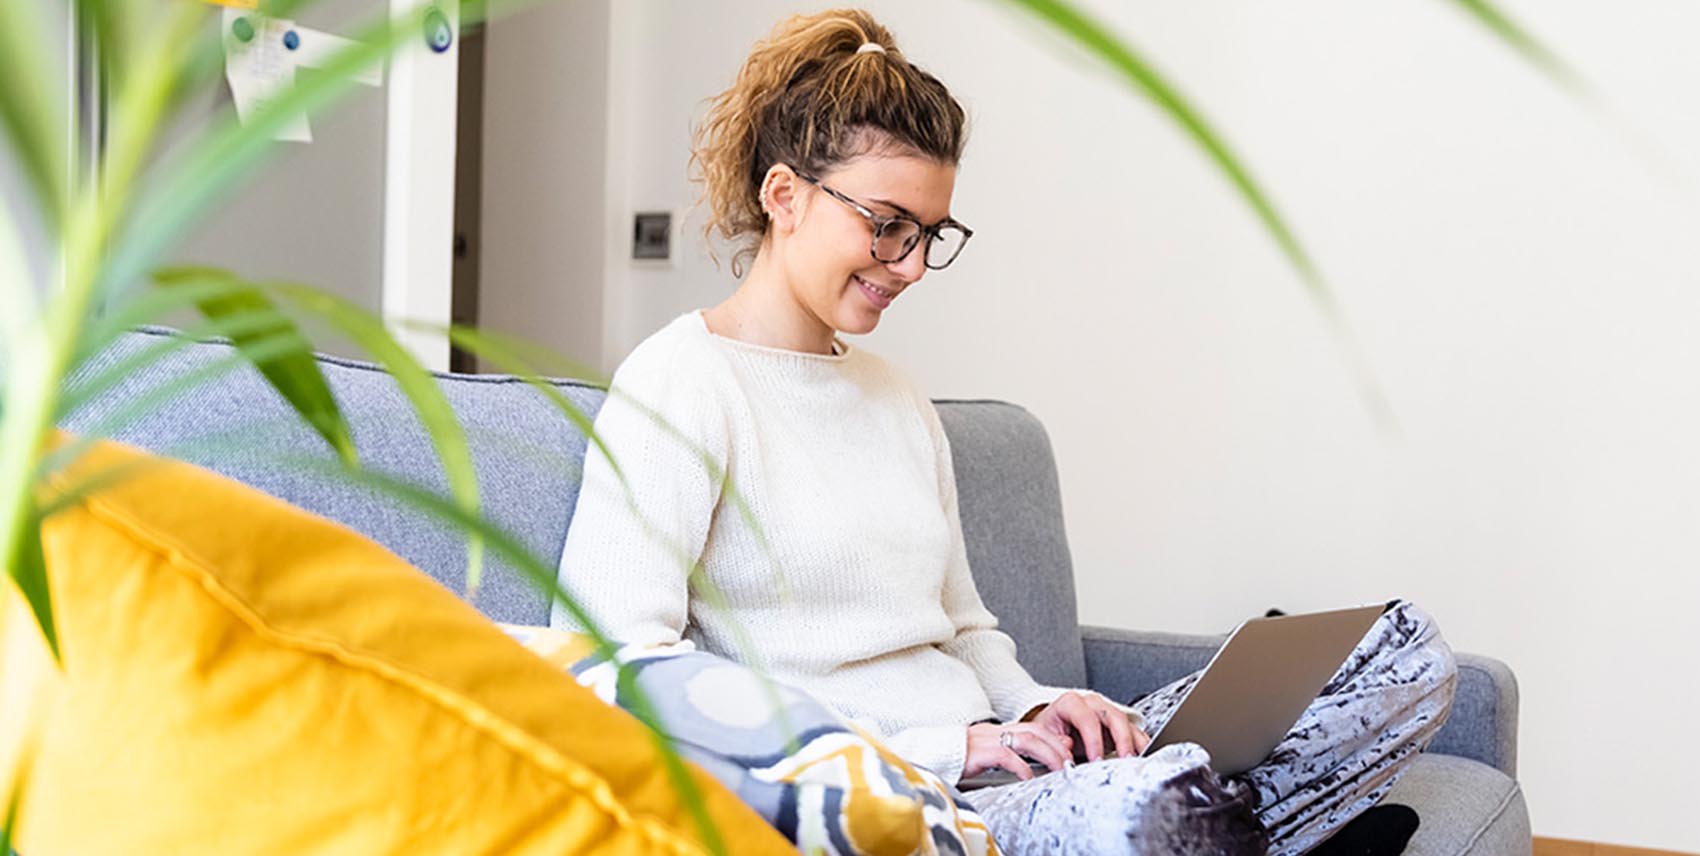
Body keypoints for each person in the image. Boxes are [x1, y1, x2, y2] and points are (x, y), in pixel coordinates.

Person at [553, 9, 1456, 855]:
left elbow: (967, 629)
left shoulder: (897, 398)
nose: (909, 266)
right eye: (887, 226)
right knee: (1148, 809)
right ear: (785, 195)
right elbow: (617, 669)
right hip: (905, 796)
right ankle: (1216, 823)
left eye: (930, 234)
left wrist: (1044, 708)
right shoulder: (680, 383)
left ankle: (1205, 822)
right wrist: (948, 750)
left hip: (1008, 766)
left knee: (1406, 657)